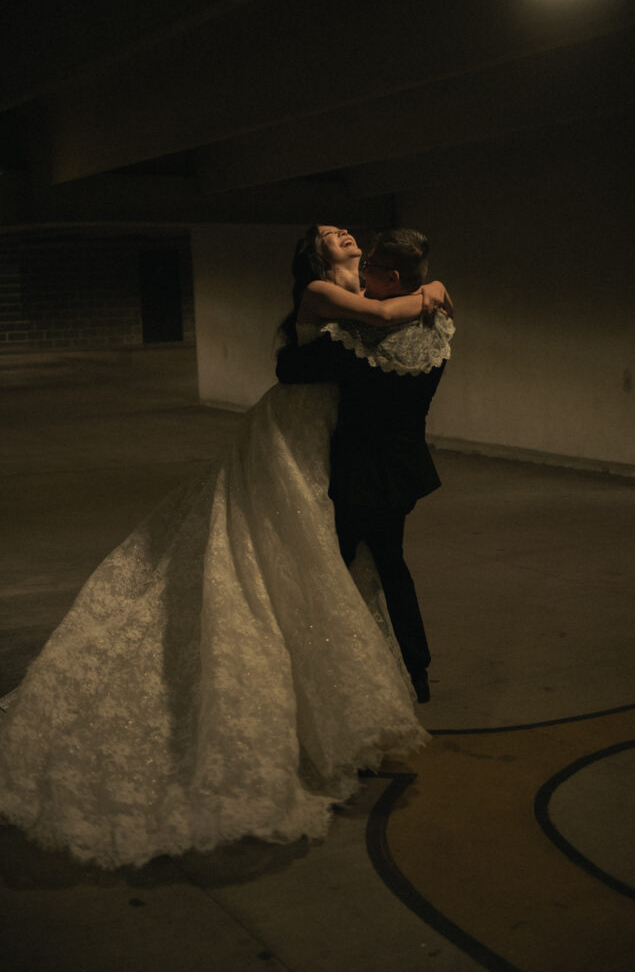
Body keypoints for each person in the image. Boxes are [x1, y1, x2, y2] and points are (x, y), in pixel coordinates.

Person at [0, 225, 450, 870]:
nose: (347, 235)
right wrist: (433, 289)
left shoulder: (363, 289)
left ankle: (359, 672)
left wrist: (427, 288)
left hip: (333, 436)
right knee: (292, 545)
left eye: (351, 234)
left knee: (337, 555)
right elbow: (381, 315)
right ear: (318, 257)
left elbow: (378, 325)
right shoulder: (327, 290)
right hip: (295, 429)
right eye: (335, 235)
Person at [277, 228, 452, 704]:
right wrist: (429, 290)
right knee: (391, 564)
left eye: (371, 265)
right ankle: (416, 669)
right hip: (406, 468)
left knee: (333, 565)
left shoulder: (355, 344)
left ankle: (333, 665)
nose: (363, 267)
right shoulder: (437, 331)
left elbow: (289, 369)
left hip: (358, 473)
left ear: (390, 277)